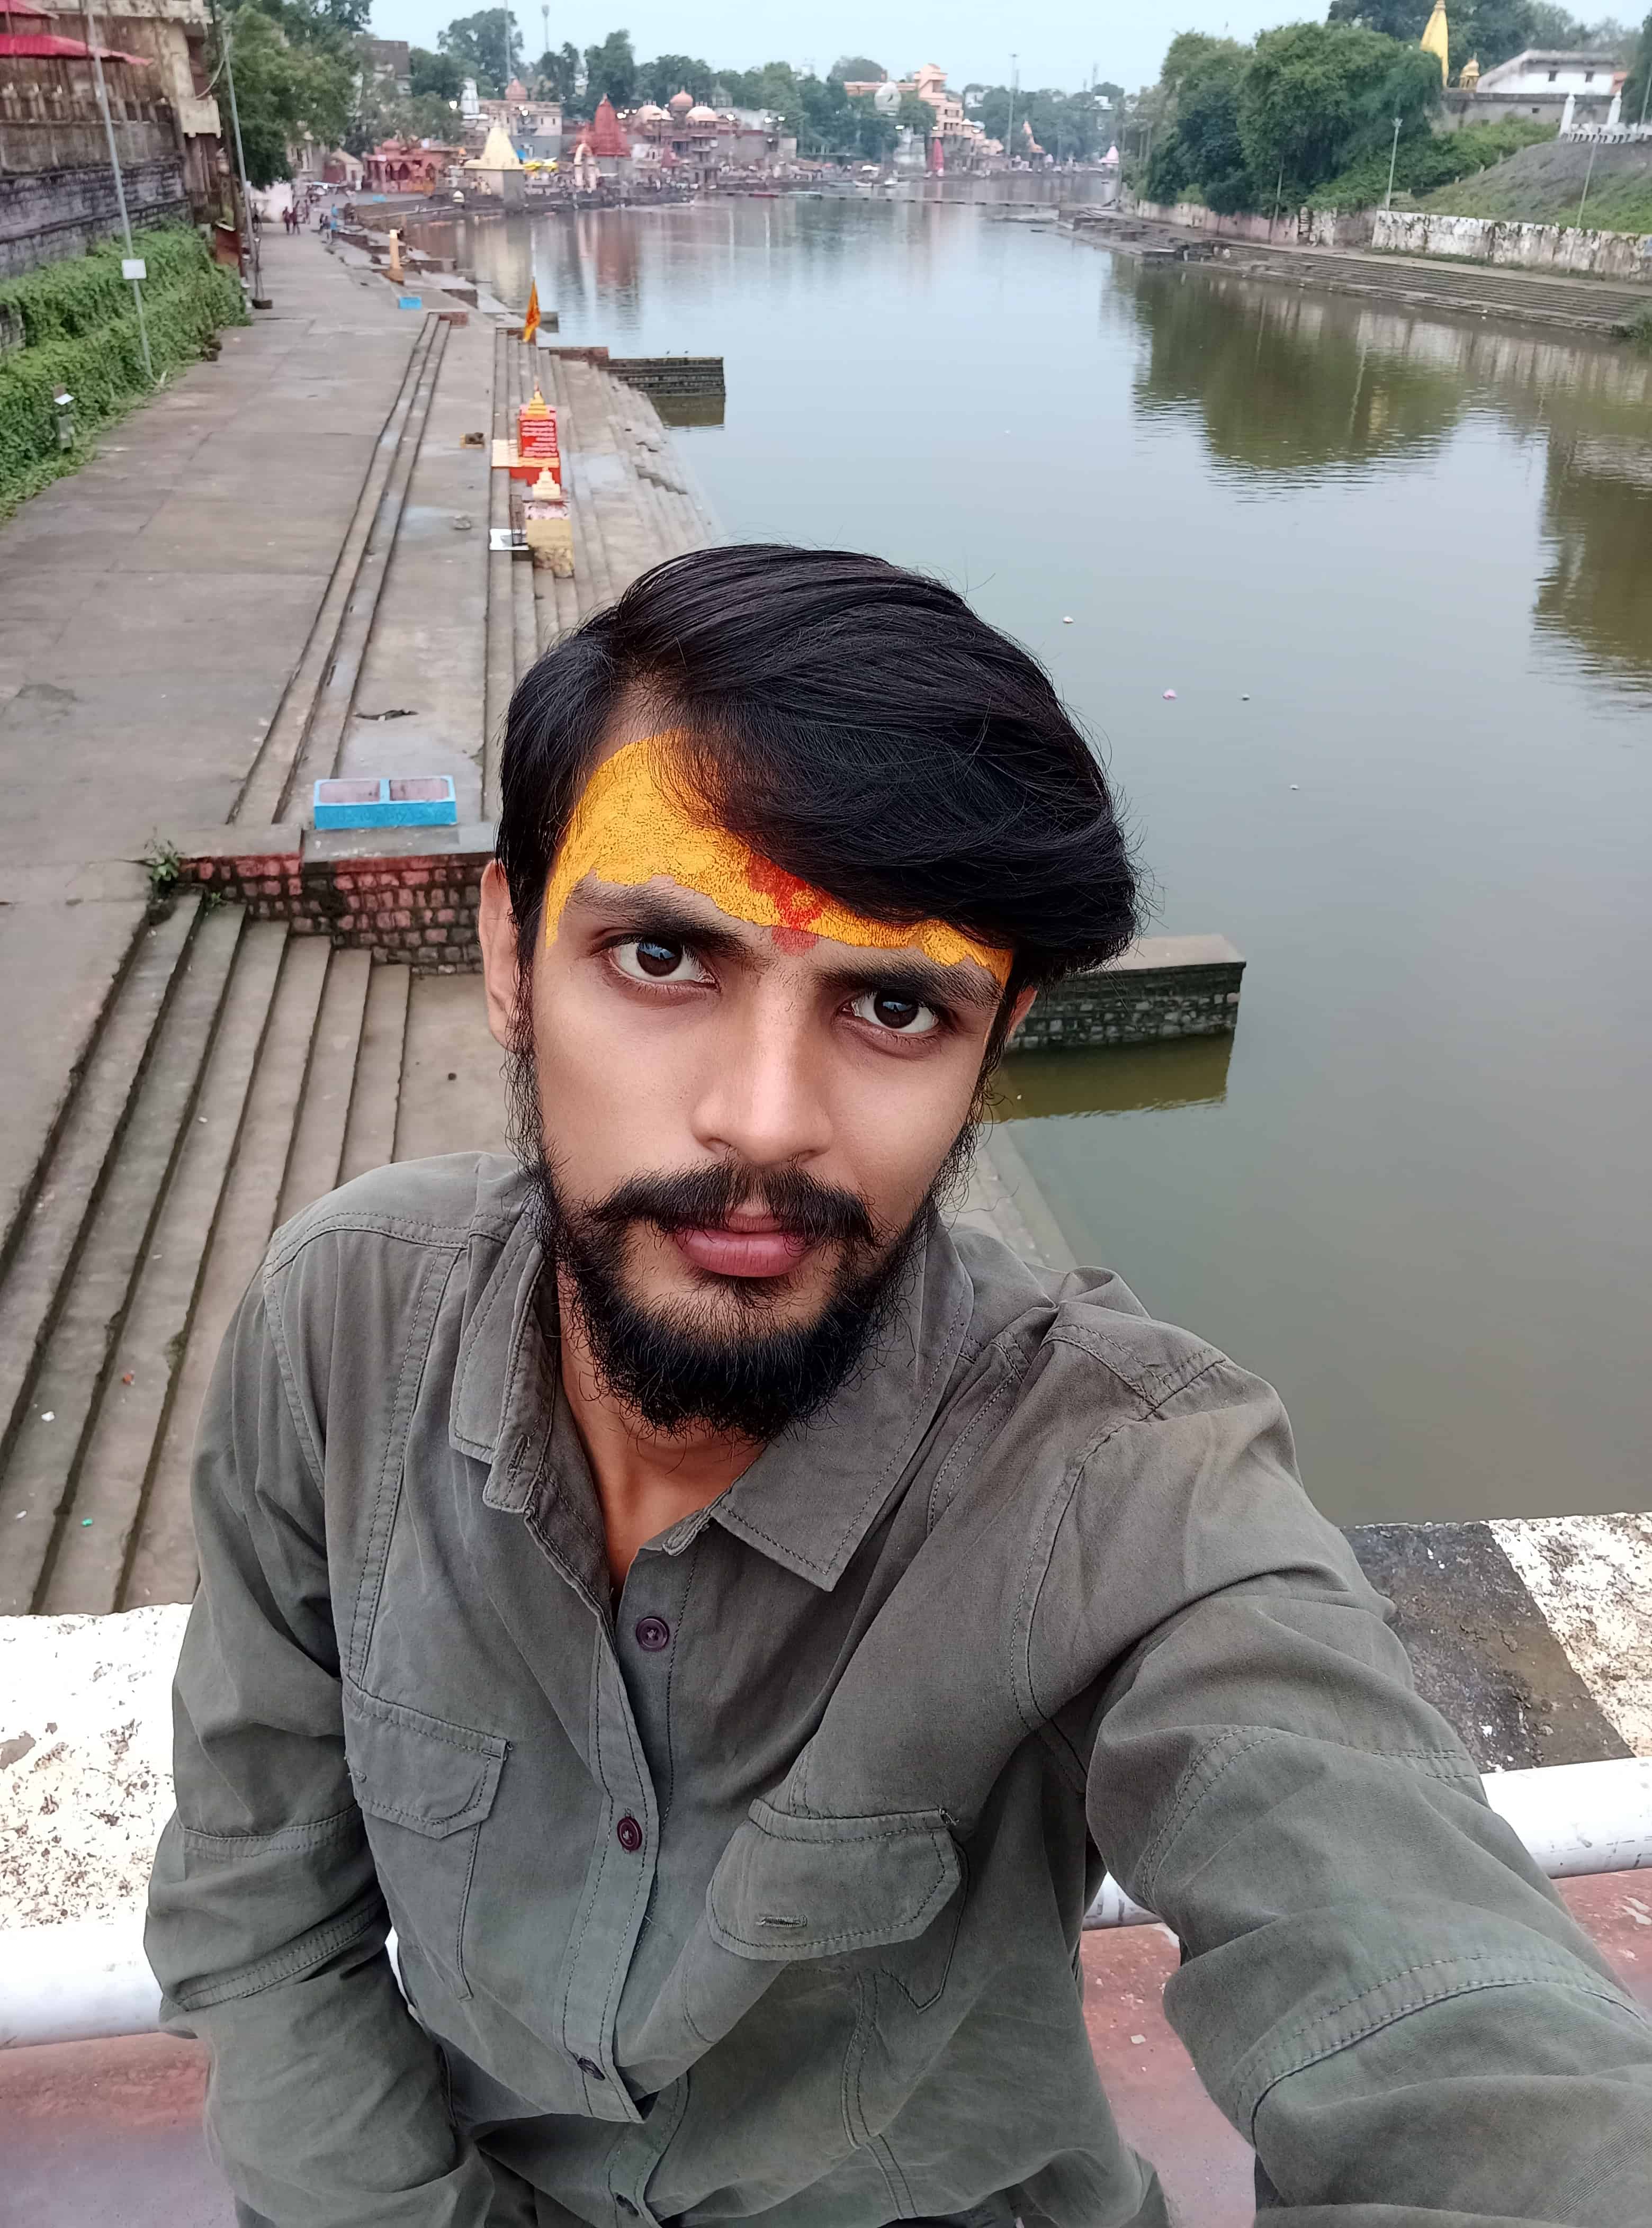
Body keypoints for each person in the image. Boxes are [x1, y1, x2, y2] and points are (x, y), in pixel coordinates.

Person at [146, 546, 1652, 2227]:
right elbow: (260, 1906)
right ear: (509, 952)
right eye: (663, 960)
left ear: (996, 1045)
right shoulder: (344, 1329)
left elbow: (1456, 2027)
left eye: (890, 1005)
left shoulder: (1122, 1487)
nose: (765, 1121)